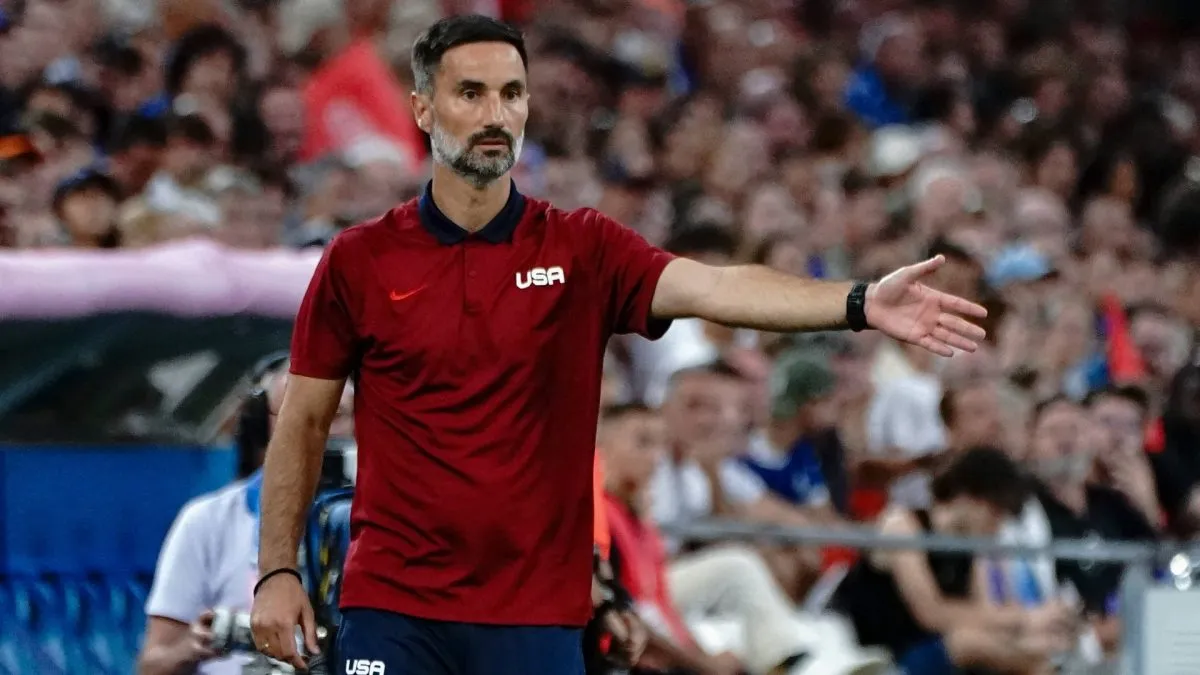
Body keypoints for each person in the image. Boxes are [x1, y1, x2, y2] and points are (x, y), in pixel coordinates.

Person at [249, 15, 988, 675]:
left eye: (512, 94)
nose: (496, 114)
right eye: (470, 93)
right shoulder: (360, 259)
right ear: (421, 108)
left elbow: (716, 286)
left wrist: (858, 302)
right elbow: (304, 422)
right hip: (394, 604)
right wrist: (276, 571)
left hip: (536, 611)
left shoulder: (582, 247)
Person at [830, 447, 1076, 675]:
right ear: (968, 497)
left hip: (939, 650)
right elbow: (930, 613)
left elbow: (986, 613)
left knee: (1032, 644)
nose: (997, 527)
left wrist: (1035, 629)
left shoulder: (973, 546)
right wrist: (1025, 618)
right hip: (887, 650)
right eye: (995, 513)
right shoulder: (904, 525)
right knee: (971, 642)